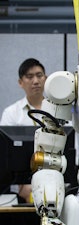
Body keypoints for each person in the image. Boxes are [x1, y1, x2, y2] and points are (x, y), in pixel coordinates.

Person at [0, 58, 47, 203]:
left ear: (46, 78)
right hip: (21, 188)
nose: (36, 81)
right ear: (20, 82)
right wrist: (21, 186)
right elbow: (5, 156)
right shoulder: (12, 113)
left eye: (39, 75)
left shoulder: (61, 111)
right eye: (29, 76)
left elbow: (72, 150)